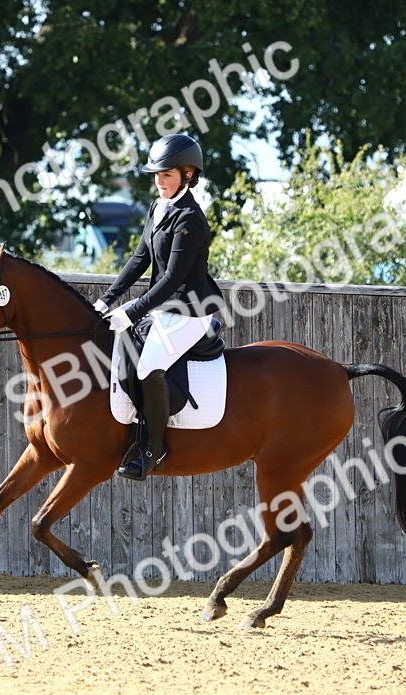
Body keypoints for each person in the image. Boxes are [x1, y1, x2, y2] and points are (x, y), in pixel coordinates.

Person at [93, 133, 224, 480]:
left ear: (189, 175)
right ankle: (136, 433)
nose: (160, 181)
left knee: (148, 365)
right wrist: (107, 298)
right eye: (157, 175)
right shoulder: (158, 207)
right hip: (163, 307)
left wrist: (131, 311)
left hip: (190, 309)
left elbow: (171, 279)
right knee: (124, 353)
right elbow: (140, 258)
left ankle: (153, 449)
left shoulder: (190, 219)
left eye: (167, 175)